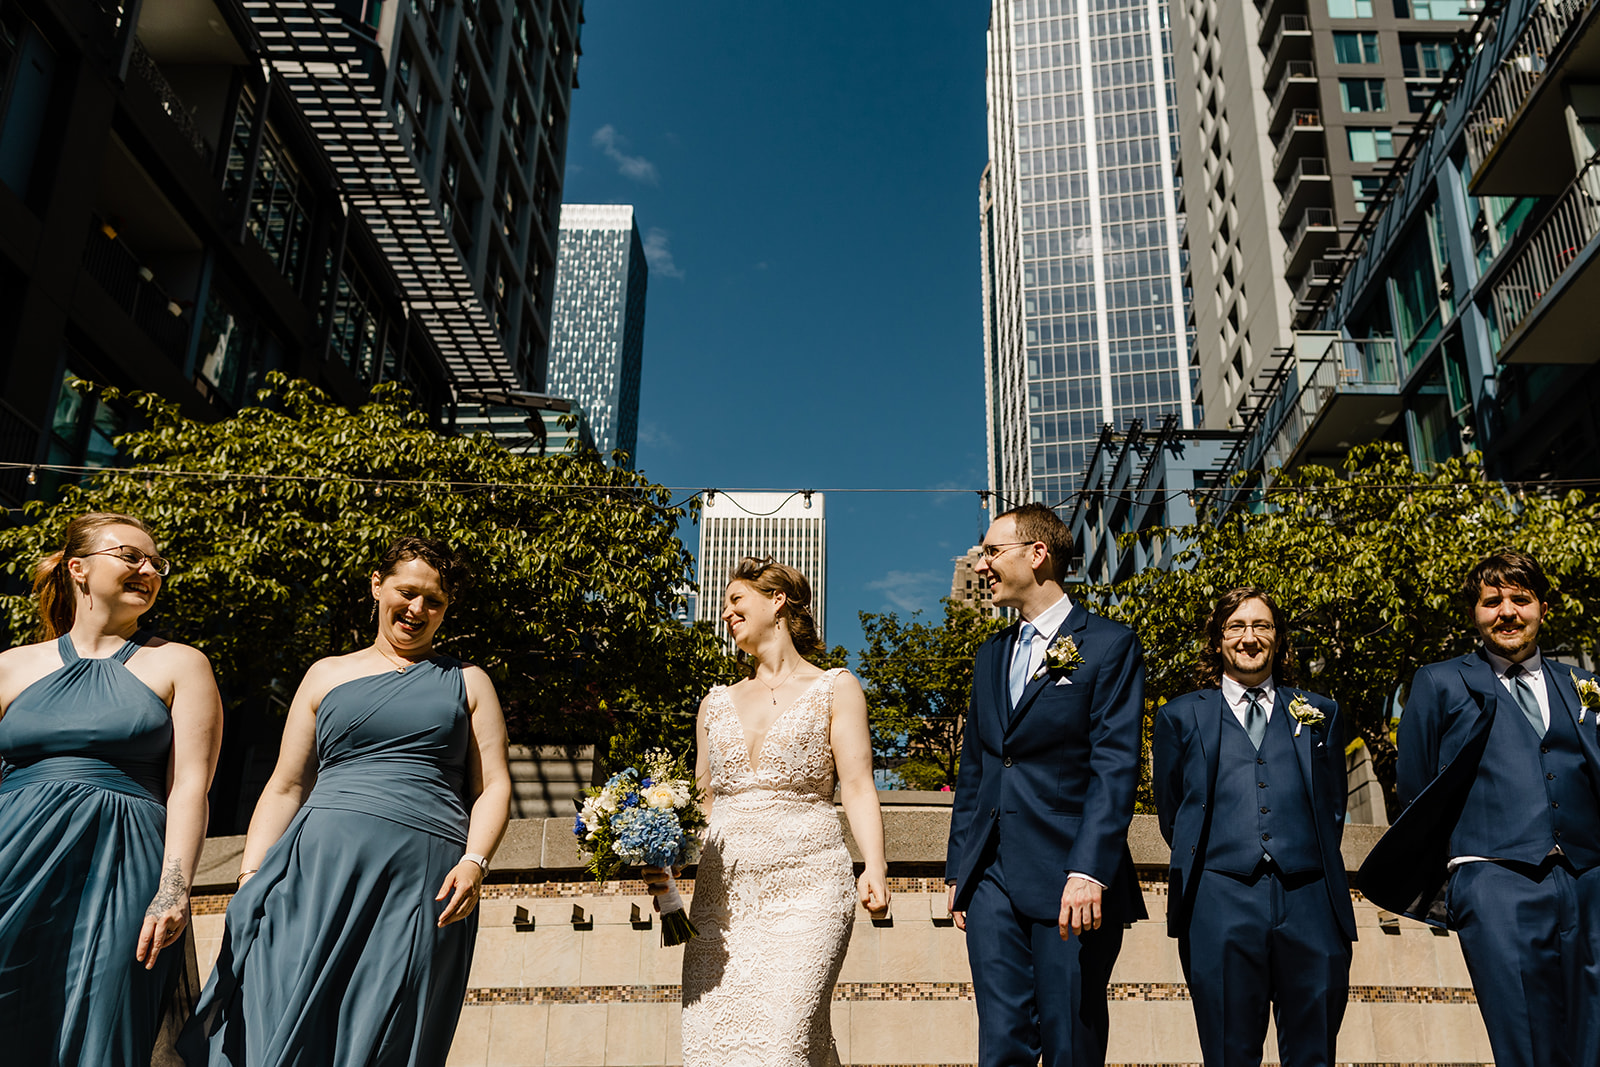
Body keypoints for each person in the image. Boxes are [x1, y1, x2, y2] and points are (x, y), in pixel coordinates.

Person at [181, 536, 511, 1066]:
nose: (418, 609)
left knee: (386, 1020)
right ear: (376, 586)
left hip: (422, 879)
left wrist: (475, 861)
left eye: (435, 602)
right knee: (277, 1001)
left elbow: (493, 784)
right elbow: (286, 785)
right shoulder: (325, 673)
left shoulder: (468, 681)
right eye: (408, 592)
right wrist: (249, 878)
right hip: (315, 869)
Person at [1359, 549, 1600, 1067]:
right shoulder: (1439, 682)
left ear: (1542, 607)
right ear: (1475, 612)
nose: (1507, 612)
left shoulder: (1582, 685)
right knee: (1526, 1042)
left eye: (1521, 599)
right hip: (1495, 881)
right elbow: (1418, 789)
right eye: (1492, 601)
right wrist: (1461, 881)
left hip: (1588, 879)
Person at [0, 512, 224, 1064]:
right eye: (131, 556)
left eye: (156, 562)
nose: (148, 569)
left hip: (124, 866)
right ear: (78, 568)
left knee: (106, 1017)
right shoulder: (11, 666)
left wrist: (174, 891)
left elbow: (190, 787)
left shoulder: (180, 664)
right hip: (12, 857)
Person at [647, 556, 888, 1067]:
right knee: (714, 1046)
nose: (726, 613)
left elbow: (858, 785)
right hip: (722, 901)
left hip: (809, 887)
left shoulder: (835, 687)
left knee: (782, 1043)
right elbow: (703, 802)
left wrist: (875, 864)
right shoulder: (713, 702)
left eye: (736, 600)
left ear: (777, 600)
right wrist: (657, 859)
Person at [945, 502, 1146, 1067]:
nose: (983, 564)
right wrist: (962, 869)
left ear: (1036, 556)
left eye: (992, 551)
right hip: (991, 879)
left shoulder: (1109, 645)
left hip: (1070, 879)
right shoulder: (991, 655)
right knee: (1000, 1041)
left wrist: (1089, 870)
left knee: (1071, 1044)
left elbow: (1116, 765)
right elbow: (977, 768)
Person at [1153, 588, 1355, 1067]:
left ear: (1278, 639)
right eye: (1237, 627)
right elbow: (1173, 810)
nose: (1249, 638)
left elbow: (1333, 806)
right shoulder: (1179, 716)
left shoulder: (1320, 712)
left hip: (1311, 902)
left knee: (1314, 1053)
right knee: (1228, 1052)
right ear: (1219, 639)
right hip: (1218, 901)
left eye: (1261, 626)